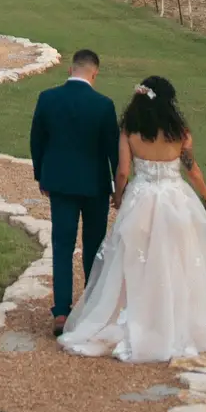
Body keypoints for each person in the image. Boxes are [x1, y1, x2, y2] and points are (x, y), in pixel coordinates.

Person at [58, 75, 206, 364]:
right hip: (176, 202)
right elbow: (193, 170)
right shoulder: (180, 132)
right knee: (177, 260)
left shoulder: (129, 130)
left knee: (134, 261)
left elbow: (121, 171)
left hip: (141, 201)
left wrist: (119, 197)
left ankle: (136, 317)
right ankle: (175, 322)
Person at [29, 49, 120, 336]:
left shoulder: (47, 98)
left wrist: (41, 175)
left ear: (70, 70)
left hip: (60, 183)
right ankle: (91, 305)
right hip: (94, 185)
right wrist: (119, 188)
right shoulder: (104, 105)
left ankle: (61, 311)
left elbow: (37, 141)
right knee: (94, 246)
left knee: (63, 245)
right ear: (95, 73)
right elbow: (113, 152)